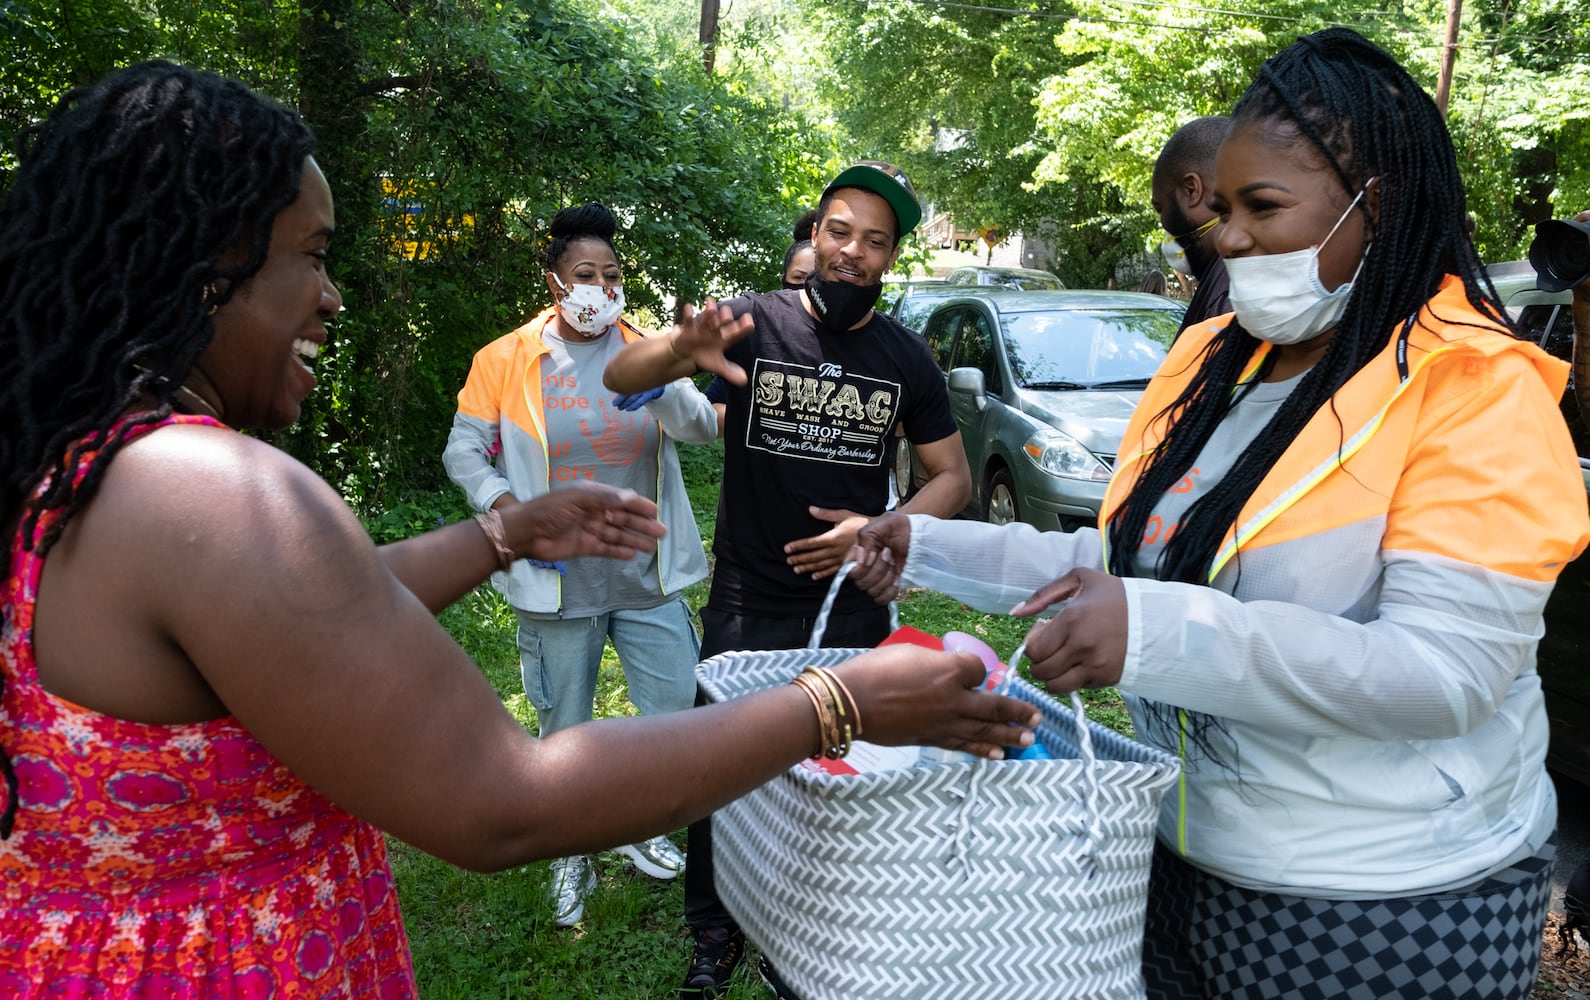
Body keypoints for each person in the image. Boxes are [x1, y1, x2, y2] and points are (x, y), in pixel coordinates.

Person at [0, 61, 1041, 996]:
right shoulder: (207, 488)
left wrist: (502, 535)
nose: (330, 299)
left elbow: (311, 615)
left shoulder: (85, 465)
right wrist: (835, 703)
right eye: (310, 257)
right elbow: (505, 800)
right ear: (204, 262)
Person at [848, 29, 1590, 1000]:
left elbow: (1443, 674)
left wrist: (1153, 630)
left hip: (1385, 902)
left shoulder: (1477, 389)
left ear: (1383, 200)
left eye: (1262, 207)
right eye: (1222, 208)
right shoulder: (1212, 360)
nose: (1226, 236)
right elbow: (1124, 558)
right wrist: (928, 542)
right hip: (1185, 850)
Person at [604, 160, 974, 998]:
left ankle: (803, 932)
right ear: (817, 231)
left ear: (890, 257)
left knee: (837, 776)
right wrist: (676, 350)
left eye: (875, 242)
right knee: (715, 773)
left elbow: (949, 476)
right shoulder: (753, 322)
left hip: (851, 610)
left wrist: (881, 529)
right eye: (840, 231)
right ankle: (713, 933)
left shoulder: (906, 359)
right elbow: (618, 379)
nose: (853, 252)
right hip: (746, 600)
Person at [443, 202, 718, 927]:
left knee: (673, 719)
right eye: (585, 274)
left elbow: (701, 429)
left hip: (645, 574)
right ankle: (571, 856)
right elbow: (463, 449)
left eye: (613, 274)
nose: (601, 285)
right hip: (556, 581)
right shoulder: (505, 358)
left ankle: (642, 830)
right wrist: (506, 505)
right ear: (556, 282)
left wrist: (667, 381)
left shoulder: (647, 348)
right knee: (564, 729)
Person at [1151, 116, 1232, 333]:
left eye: (1160, 208)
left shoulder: (1228, 300)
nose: (1163, 223)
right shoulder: (1224, 286)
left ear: (1191, 190)